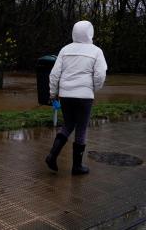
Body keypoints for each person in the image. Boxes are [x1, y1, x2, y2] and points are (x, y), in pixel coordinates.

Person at [45, 20, 107, 175]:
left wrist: (53, 94)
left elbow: (54, 74)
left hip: (66, 95)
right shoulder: (96, 51)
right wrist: (93, 89)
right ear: (90, 33)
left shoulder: (65, 50)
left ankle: (52, 155)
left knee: (68, 124)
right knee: (81, 129)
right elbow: (100, 75)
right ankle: (77, 166)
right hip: (84, 97)